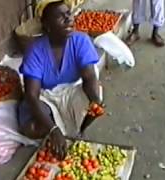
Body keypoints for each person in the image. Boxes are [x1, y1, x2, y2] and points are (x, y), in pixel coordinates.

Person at [18, 0, 103, 160]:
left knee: (96, 97)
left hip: (70, 90)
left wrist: (95, 100)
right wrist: (53, 130)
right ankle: (57, 128)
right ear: (47, 25)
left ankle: (79, 131)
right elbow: (32, 95)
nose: (68, 19)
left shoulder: (81, 41)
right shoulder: (35, 50)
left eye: (68, 14)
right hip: (45, 96)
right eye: (60, 16)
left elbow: (89, 77)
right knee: (30, 128)